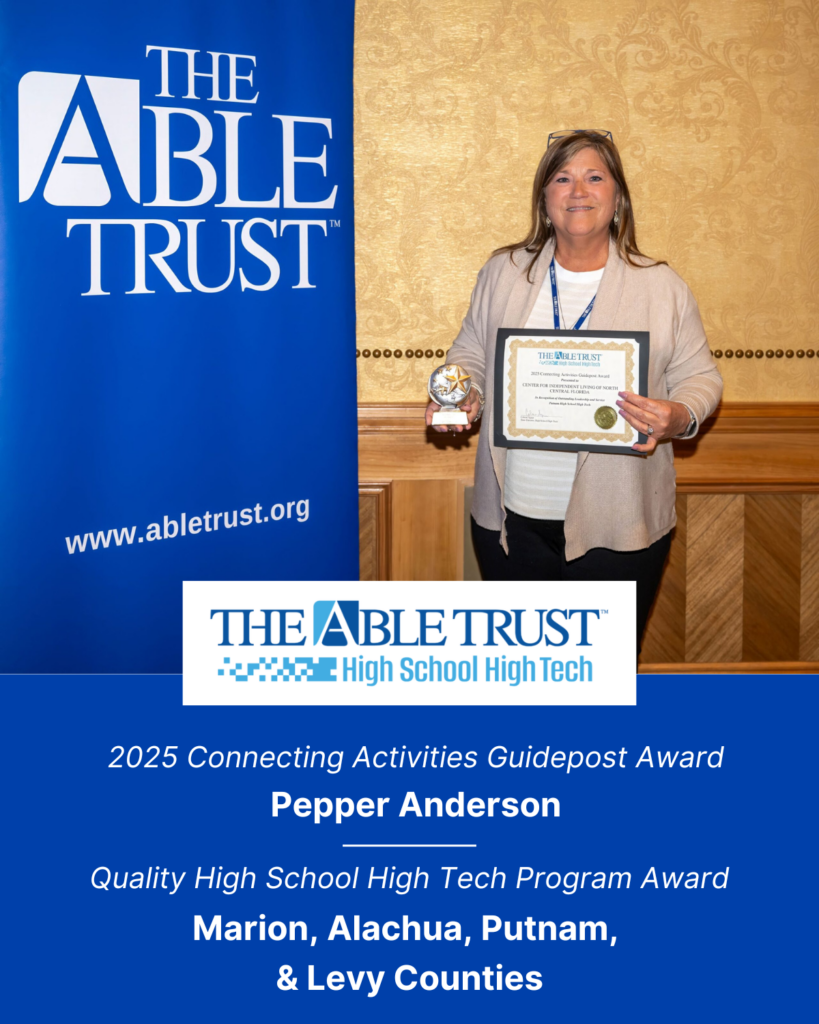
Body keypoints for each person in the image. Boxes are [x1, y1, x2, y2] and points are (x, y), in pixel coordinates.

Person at [425, 129, 723, 645]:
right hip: (510, 523)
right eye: (562, 178)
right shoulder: (505, 272)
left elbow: (701, 378)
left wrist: (677, 416)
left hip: (619, 525)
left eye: (593, 177)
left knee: (598, 686)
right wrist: (462, 389)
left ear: (617, 197)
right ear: (544, 199)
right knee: (525, 679)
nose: (577, 190)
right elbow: (470, 351)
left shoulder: (660, 285)